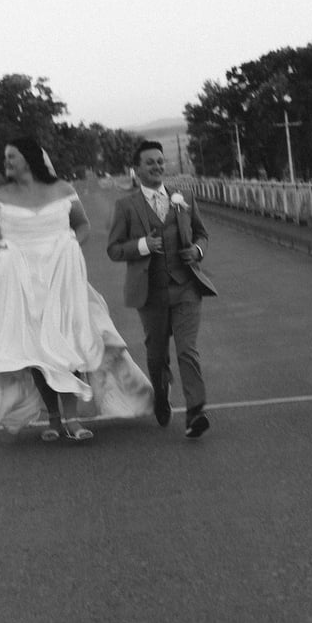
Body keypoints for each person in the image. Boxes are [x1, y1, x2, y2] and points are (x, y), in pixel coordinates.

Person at [0, 136, 153, 443]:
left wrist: (72, 244)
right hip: (23, 284)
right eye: (5, 157)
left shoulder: (63, 190)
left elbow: (82, 225)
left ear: (30, 158)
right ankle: (55, 418)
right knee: (36, 353)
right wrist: (2, 249)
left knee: (70, 344)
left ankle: (72, 418)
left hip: (62, 280)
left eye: (11, 156)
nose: (6, 162)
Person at [106, 140, 217, 439]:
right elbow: (113, 249)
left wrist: (197, 250)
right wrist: (143, 245)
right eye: (150, 163)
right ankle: (161, 392)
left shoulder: (184, 198)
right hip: (151, 293)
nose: (157, 166)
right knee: (156, 356)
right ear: (137, 169)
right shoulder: (126, 206)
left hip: (186, 288)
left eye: (160, 161)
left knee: (187, 350)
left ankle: (196, 411)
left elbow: (202, 234)